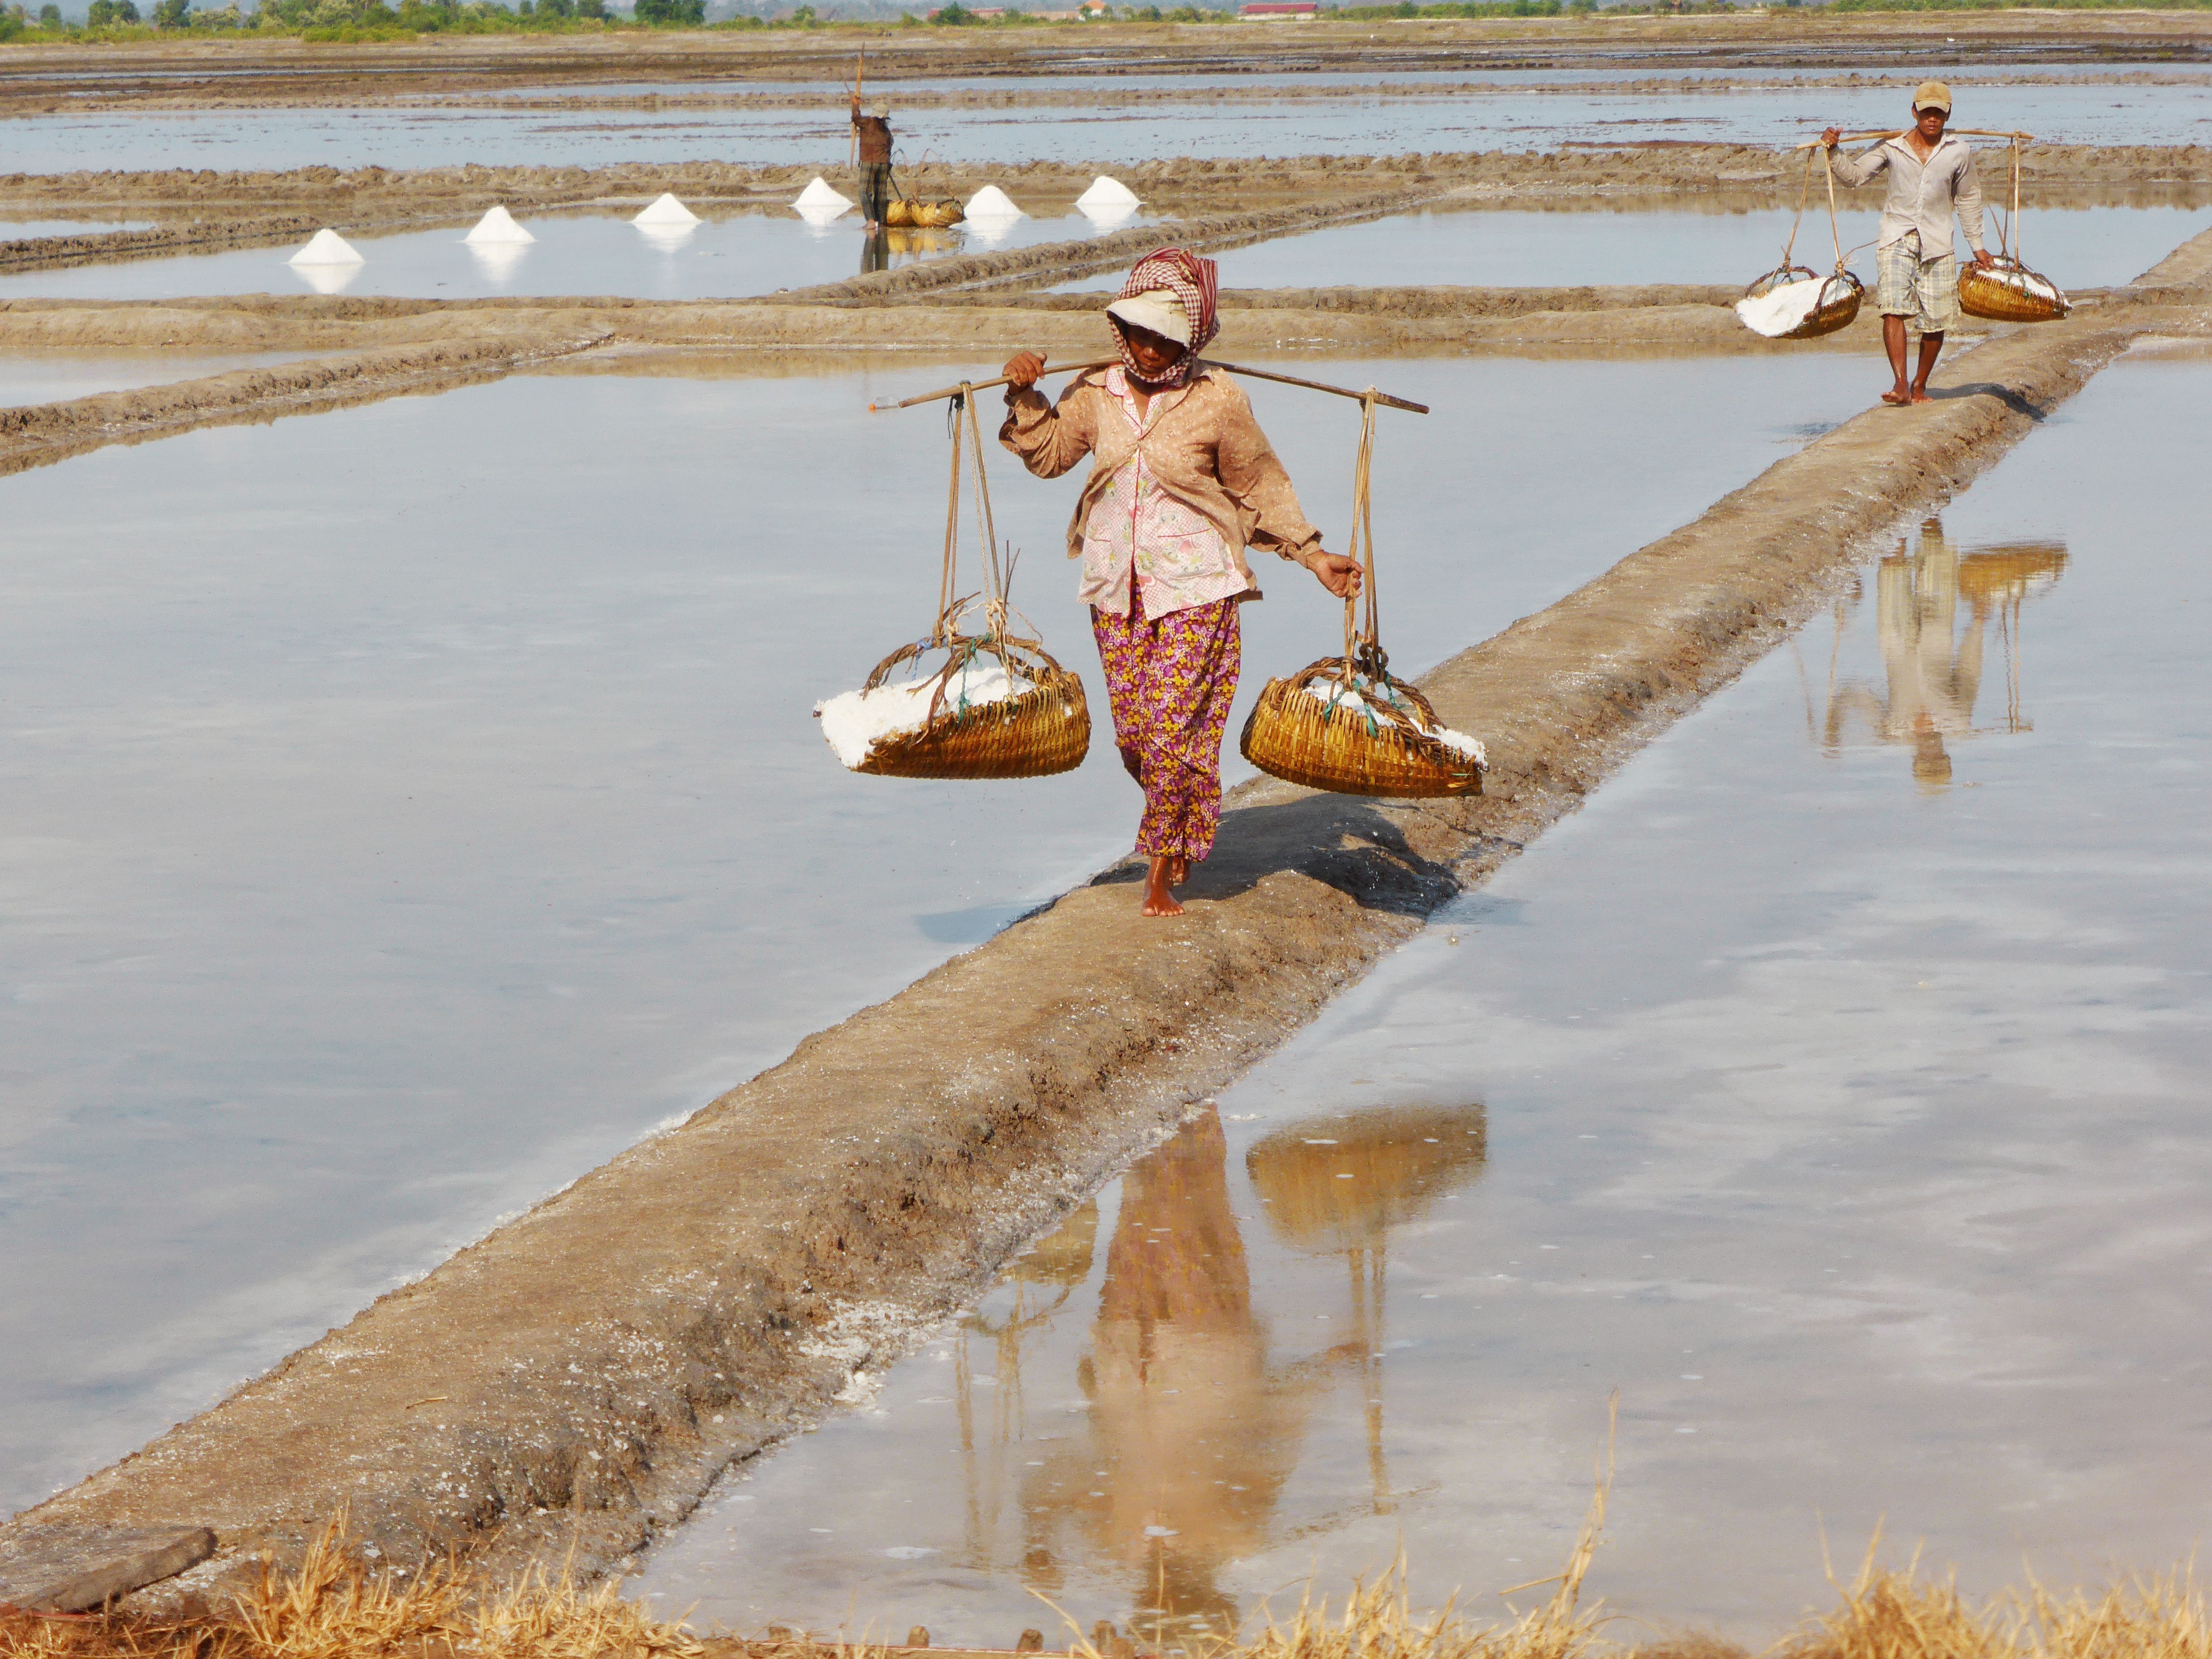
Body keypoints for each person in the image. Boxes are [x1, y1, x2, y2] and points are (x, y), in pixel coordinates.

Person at [999, 248, 1361, 919]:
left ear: (1190, 337)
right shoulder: (1095, 394)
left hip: (1197, 589)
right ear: (1121, 329)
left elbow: (1257, 485)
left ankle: (1160, 868)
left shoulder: (1217, 398)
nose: (1151, 348)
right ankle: (1188, 819)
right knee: (1137, 739)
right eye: (1139, 332)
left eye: (1166, 338)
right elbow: (1049, 457)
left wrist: (1312, 556)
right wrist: (1025, 397)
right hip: (1116, 588)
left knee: (1171, 732)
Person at [1823, 80, 1996, 407]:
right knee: (1893, 306)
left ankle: (1919, 384)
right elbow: (1855, 177)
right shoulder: (1892, 146)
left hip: (1938, 240)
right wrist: (1834, 152)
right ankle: (1901, 382)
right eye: (1927, 112)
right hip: (1897, 234)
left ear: (1947, 115)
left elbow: (1969, 197)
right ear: (1914, 112)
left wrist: (1978, 246)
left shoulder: (1958, 151)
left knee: (1937, 318)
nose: (1933, 119)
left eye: (1939, 113)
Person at [850, 95, 893, 233]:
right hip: (884, 164)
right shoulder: (886, 131)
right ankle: (880, 222)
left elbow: (856, 119)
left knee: (864, 192)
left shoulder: (868, 123)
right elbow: (891, 143)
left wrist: (855, 105)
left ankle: (870, 221)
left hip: (869, 162)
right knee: (881, 194)